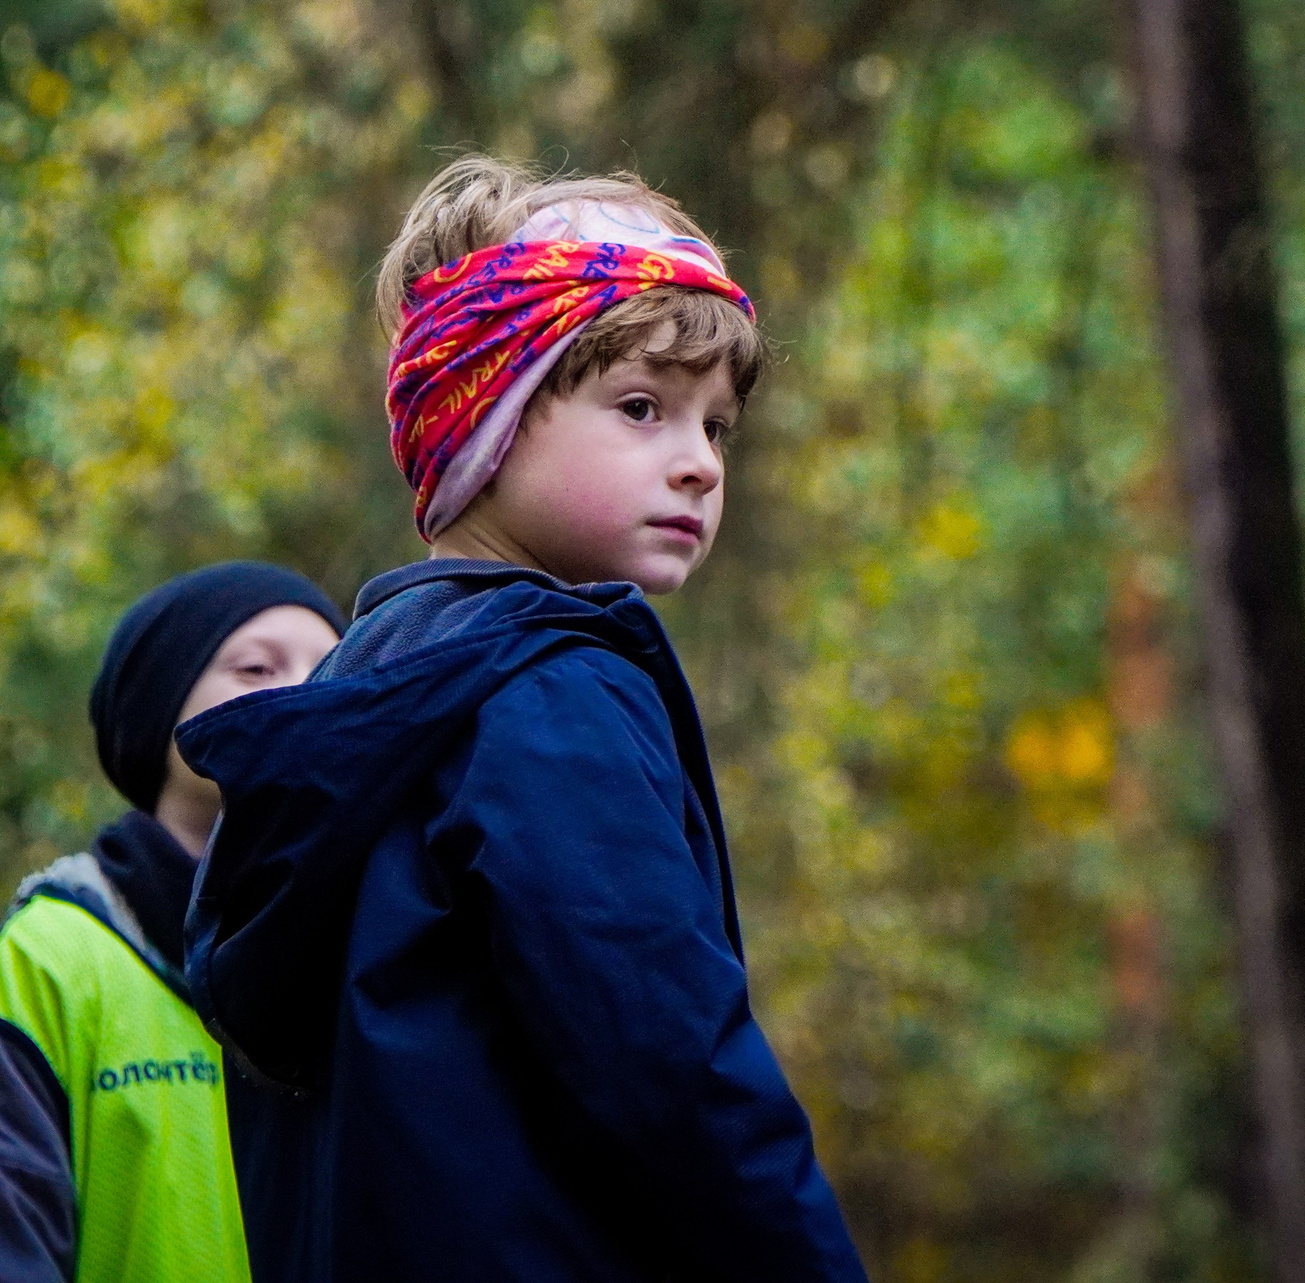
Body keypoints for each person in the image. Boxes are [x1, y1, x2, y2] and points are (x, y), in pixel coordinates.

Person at [177, 160, 869, 1282]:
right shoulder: (543, 693)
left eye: (717, 426)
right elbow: (669, 1065)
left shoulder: (369, 681)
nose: (697, 463)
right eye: (642, 408)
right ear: (484, 422)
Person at [0, 562, 346, 1283]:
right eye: (256, 666)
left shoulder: (378, 946)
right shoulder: (53, 961)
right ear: (161, 713)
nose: (305, 691)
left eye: (333, 667)